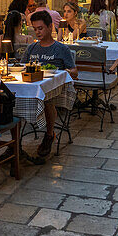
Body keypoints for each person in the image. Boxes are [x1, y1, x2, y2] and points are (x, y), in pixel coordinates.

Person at [22, 11, 77, 158]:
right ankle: (15, 143)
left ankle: (49, 134)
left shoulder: (61, 49)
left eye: (40, 28)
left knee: (47, 98)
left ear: (50, 27)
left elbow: (74, 71)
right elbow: (22, 67)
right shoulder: (31, 48)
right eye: (35, 29)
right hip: (33, 84)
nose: (37, 32)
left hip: (55, 88)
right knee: (13, 98)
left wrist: (63, 72)